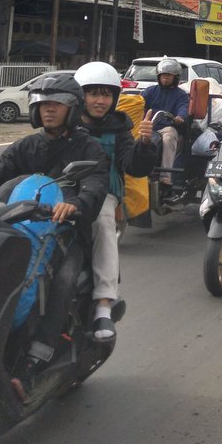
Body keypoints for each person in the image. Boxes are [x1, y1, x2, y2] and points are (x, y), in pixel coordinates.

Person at [0, 72, 109, 401]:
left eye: (57, 103)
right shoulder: (26, 146)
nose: (48, 109)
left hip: (66, 236)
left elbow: (95, 187)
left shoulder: (89, 147)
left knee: (62, 281)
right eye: (43, 103)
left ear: (72, 108)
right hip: (19, 231)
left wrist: (74, 204)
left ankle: (34, 362)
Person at [75, 61, 160, 342]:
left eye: (106, 95)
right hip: (62, 193)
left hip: (103, 196)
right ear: (80, 96)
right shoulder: (67, 124)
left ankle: (103, 303)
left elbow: (134, 166)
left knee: (102, 223)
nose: (100, 101)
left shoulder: (119, 127)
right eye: (93, 94)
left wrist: (145, 145)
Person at [141, 57, 190, 192]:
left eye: (169, 75)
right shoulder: (150, 91)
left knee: (168, 138)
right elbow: (139, 102)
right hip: (149, 125)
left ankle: (165, 176)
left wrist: (180, 117)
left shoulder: (181, 95)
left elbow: (183, 107)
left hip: (167, 127)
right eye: (163, 75)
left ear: (176, 77)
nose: (165, 78)